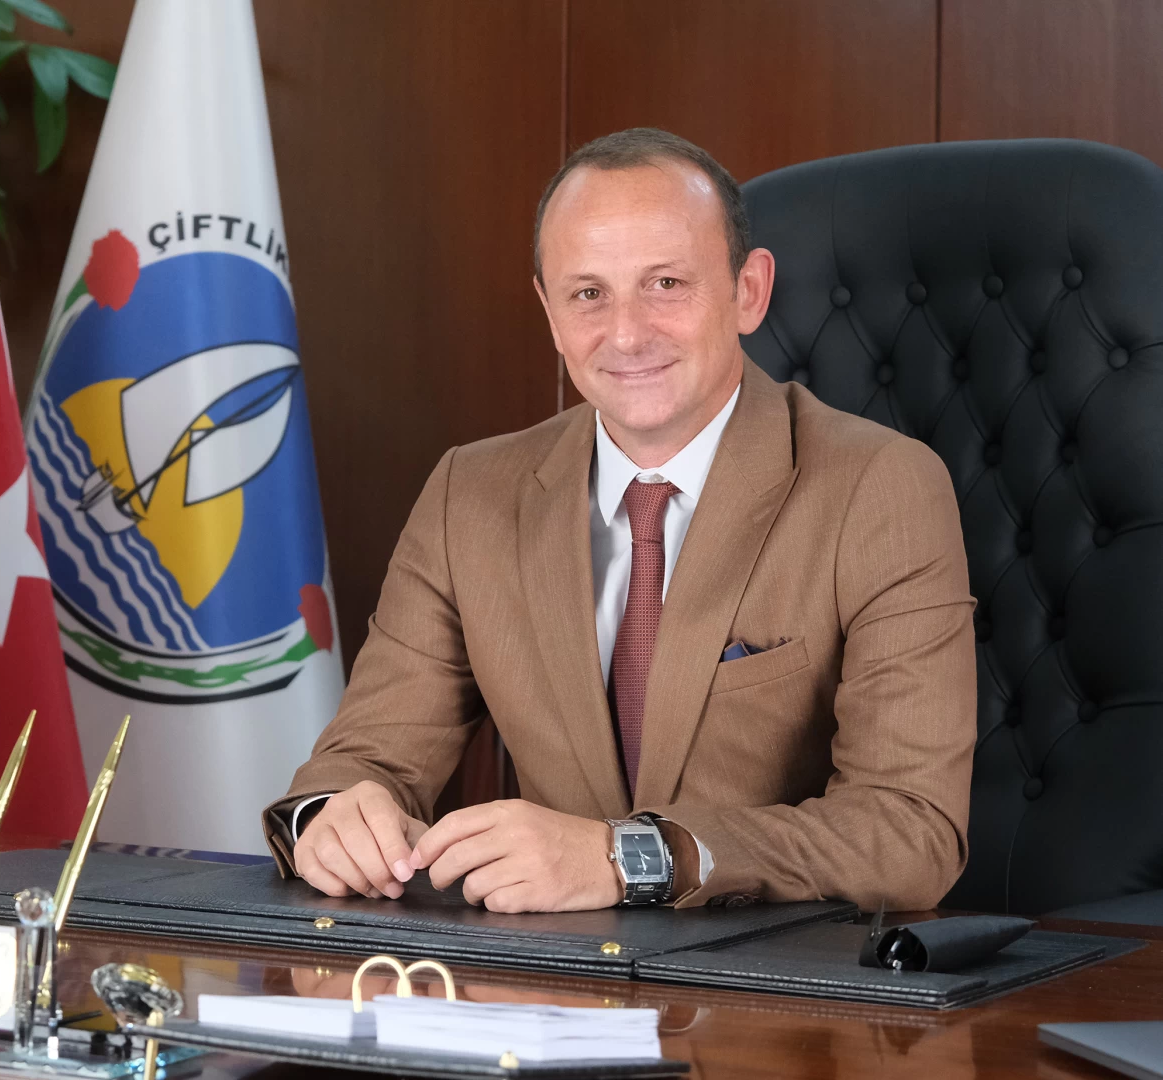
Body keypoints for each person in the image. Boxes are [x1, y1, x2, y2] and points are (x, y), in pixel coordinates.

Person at [263, 128, 976, 913]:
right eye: (588, 294)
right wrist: (333, 818)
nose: (627, 334)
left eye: (666, 283)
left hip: (776, 975)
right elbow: (362, 762)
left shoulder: (881, 487)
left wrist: (629, 857)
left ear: (748, 291)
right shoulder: (470, 494)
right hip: (544, 975)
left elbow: (912, 832)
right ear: (550, 311)